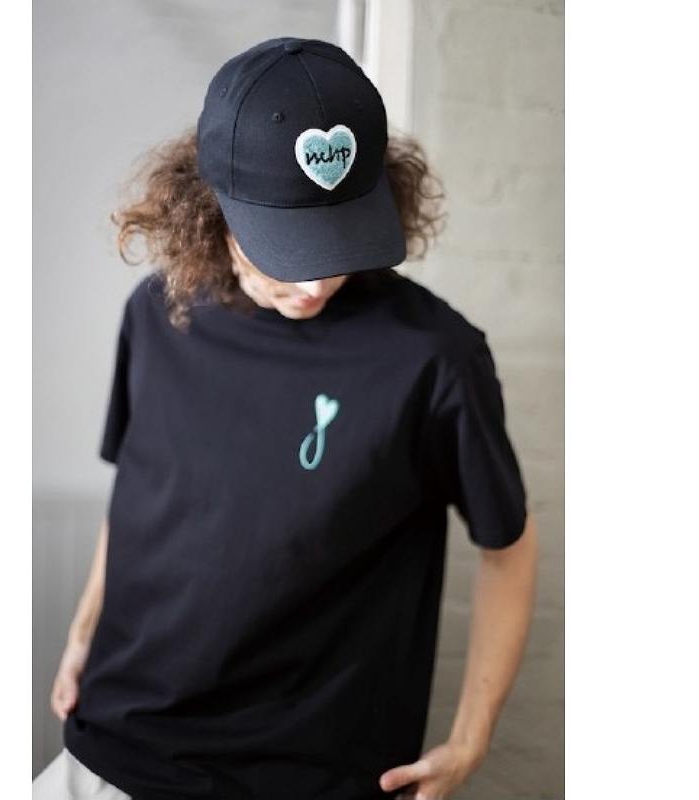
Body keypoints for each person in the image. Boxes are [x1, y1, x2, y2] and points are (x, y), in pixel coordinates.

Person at [34, 36, 538, 800]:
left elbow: (509, 546)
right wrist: (82, 632)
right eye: (285, 249)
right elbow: (139, 496)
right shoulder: (157, 311)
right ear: (210, 209)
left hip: (310, 778)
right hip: (118, 743)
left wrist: (470, 740)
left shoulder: (435, 358)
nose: (314, 284)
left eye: (338, 243)